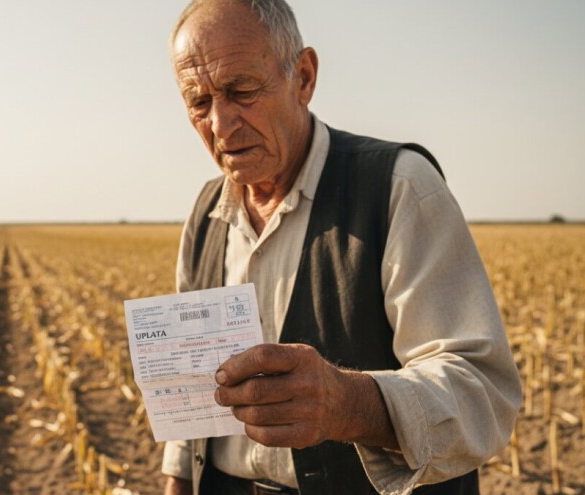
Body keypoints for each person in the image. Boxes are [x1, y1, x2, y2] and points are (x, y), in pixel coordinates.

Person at [162, 1, 522, 494]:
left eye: (241, 90)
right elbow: (191, 402)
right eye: (198, 102)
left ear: (304, 77)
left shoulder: (400, 187)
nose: (221, 124)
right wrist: (177, 480)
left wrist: (348, 403)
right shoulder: (205, 213)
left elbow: (482, 393)